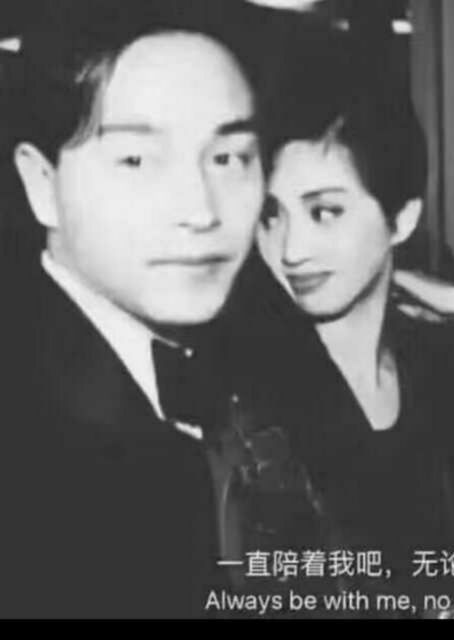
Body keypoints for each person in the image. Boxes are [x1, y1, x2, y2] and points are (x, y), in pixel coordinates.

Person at [0, 1, 290, 618]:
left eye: (228, 158)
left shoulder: (256, 355)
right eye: (137, 160)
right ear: (42, 184)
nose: (201, 210)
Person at [243, 72, 454, 611]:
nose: (291, 250)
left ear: (402, 218)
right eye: (272, 215)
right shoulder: (245, 403)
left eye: (324, 212)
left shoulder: (443, 369)